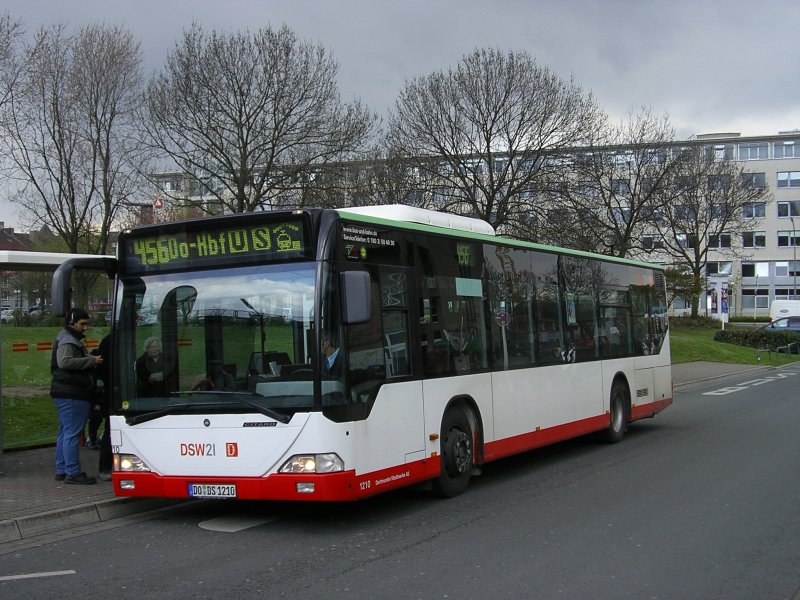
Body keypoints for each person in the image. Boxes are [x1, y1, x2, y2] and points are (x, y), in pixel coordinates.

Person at [51, 308, 103, 485]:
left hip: (63, 391)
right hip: (72, 392)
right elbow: (64, 362)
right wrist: (91, 361)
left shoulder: (66, 337)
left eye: (86, 324)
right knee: (72, 433)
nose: (85, 327)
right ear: (72, 322)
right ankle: (72, 472)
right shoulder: (68, 339)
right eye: (82, 324)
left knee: (65, 432)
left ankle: (62, 469)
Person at [93, 334, 113, 481]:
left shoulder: (109, 339)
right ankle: (105, 467)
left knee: (110, 432)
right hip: (113, 395)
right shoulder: (111, 341)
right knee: (110, 432)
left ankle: (106, 468)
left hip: (113, 394)